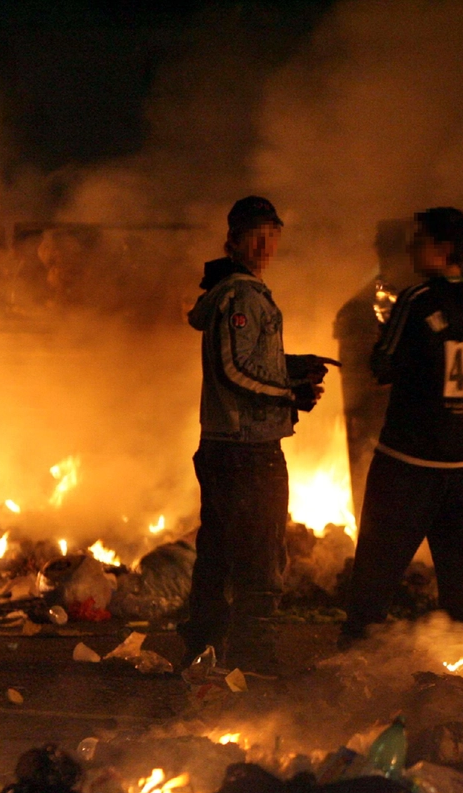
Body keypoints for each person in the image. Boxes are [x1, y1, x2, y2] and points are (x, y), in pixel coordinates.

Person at [180, 196, 332, 673]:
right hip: (248, 451)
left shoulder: (235, 292)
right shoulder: (242, 295)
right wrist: (289, 391)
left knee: (219, 559)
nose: (266, 247)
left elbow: (246, 363)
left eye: (273, 237)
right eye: (256, 238)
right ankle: (253, 663)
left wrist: (291, 365)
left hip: (228, 449)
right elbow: (232, 370)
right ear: (235, 240)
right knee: (261, 564)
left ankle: (202, 653)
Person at [341, 207, 463, 645]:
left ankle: (353, 653)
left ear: (443, 249)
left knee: (378, 562)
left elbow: (382, 364)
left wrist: (389, 338)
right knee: (462, 569)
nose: (411, 247)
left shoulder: (415, 300)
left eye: (420, 240)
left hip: (409, 462)